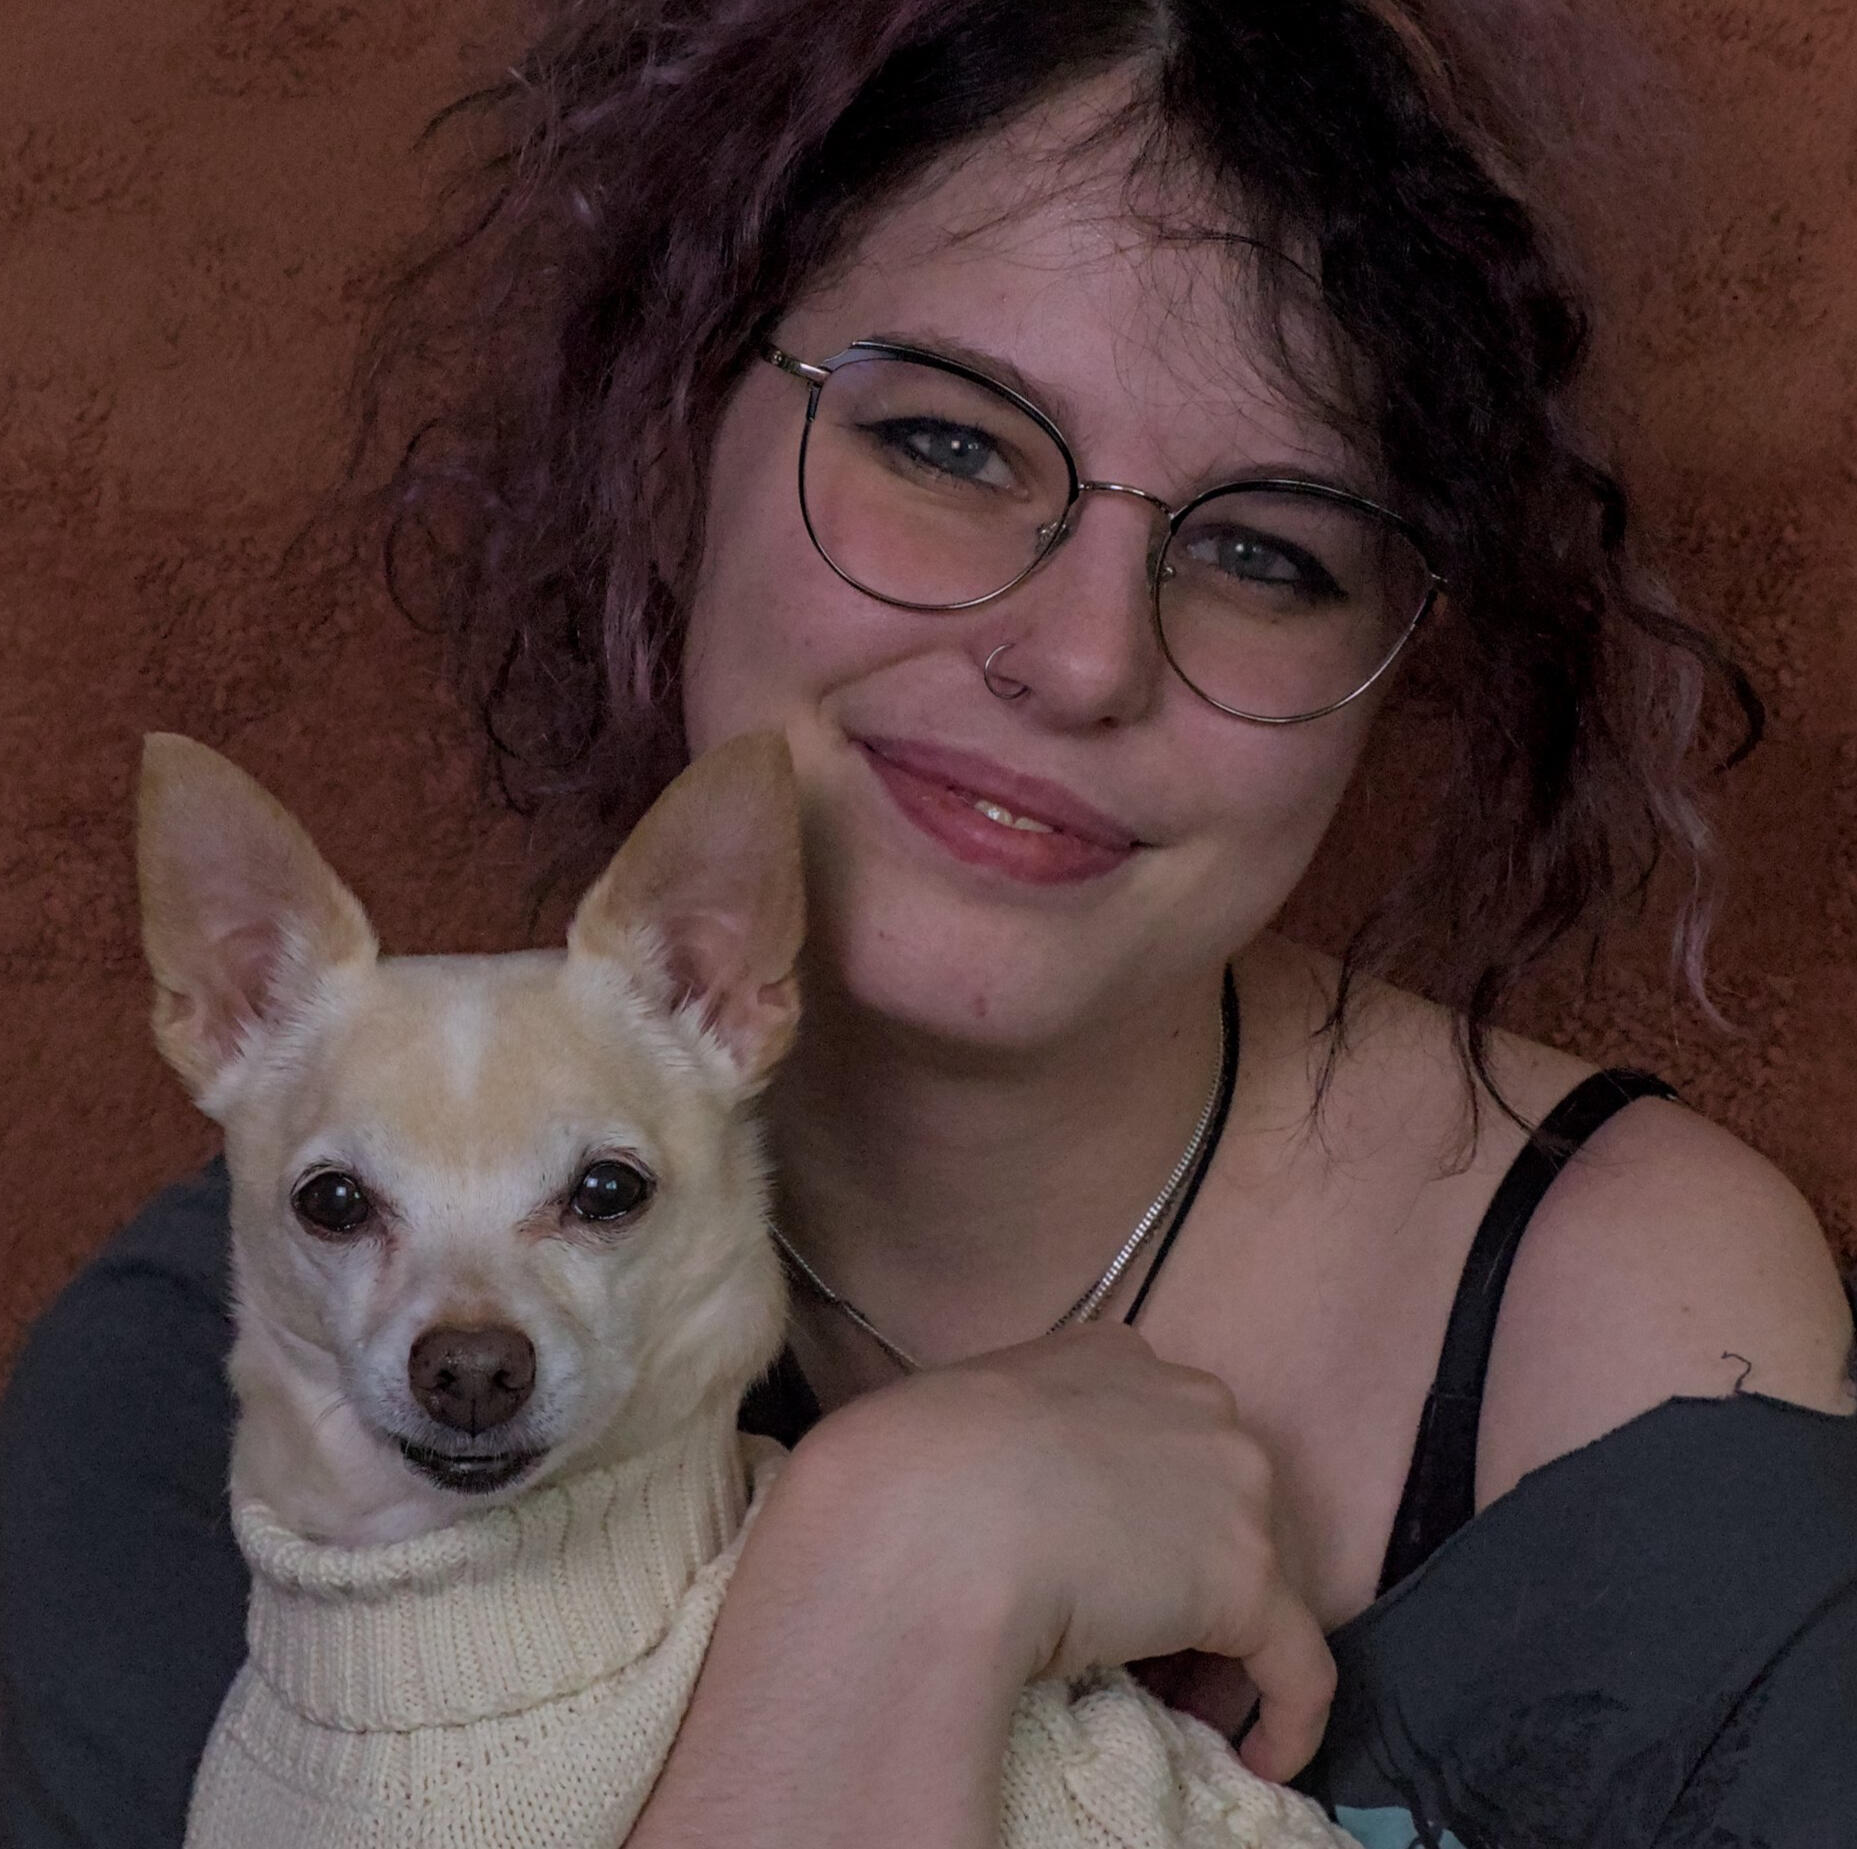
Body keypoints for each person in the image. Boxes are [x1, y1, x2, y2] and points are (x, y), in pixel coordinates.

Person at [4, 2, 1855, 1845]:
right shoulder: (210, 1393)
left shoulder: (1635, 1337)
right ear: (675, 429)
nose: (1083, 657)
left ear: (1395, 665)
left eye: (1263, 550)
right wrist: (897, 1577)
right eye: (951, 446)